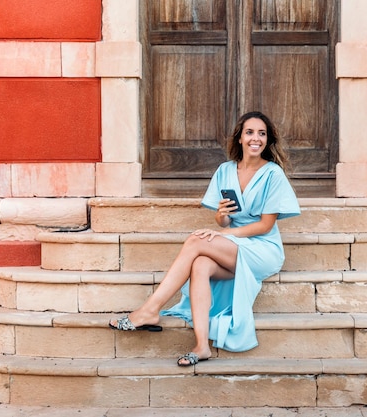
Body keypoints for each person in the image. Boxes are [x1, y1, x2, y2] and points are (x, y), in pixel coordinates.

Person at [109, 111, 300, 366]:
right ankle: (201, 346)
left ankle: (150, 309)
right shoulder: (225, 170)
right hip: (233, 242)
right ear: (240, 138)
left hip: (262, 249)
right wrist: (221, 217)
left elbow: (265, 226)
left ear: (268, 140)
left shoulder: (273, 174)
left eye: (262, 133)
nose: (256, 138)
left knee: (196, 241)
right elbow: (224, 220)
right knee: (199, 264)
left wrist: (222, 233)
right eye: (250, 132)